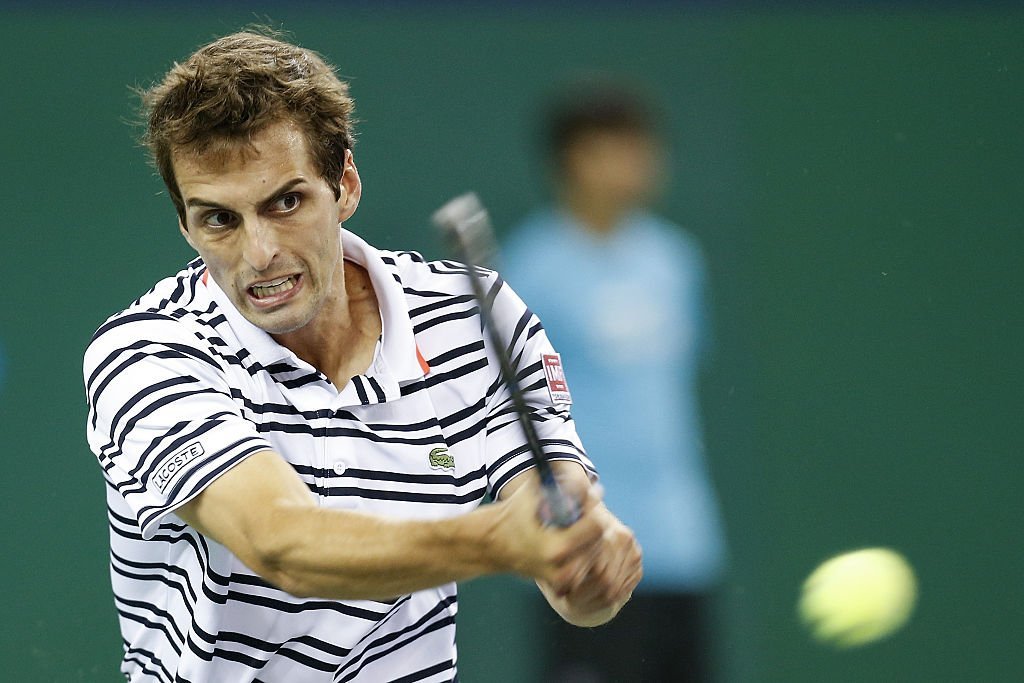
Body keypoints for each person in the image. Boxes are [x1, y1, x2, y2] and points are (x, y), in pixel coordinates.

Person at [83, 31, 641, 683]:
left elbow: (562, 530)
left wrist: (584, 569)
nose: (259, 253)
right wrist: (500, 541)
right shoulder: (147, 353)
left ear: (344, 184)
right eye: (219, 220)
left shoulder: (475, 317)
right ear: (185, 224)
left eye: (285, 202)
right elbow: (281, 544)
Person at [502, 81, 728, 682]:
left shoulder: (675, 260)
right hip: (587, 551)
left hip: (684, 545)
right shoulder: (531, 270)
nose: (639, 164)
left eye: (642, 147)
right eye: (618, 149)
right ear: (574, 160)